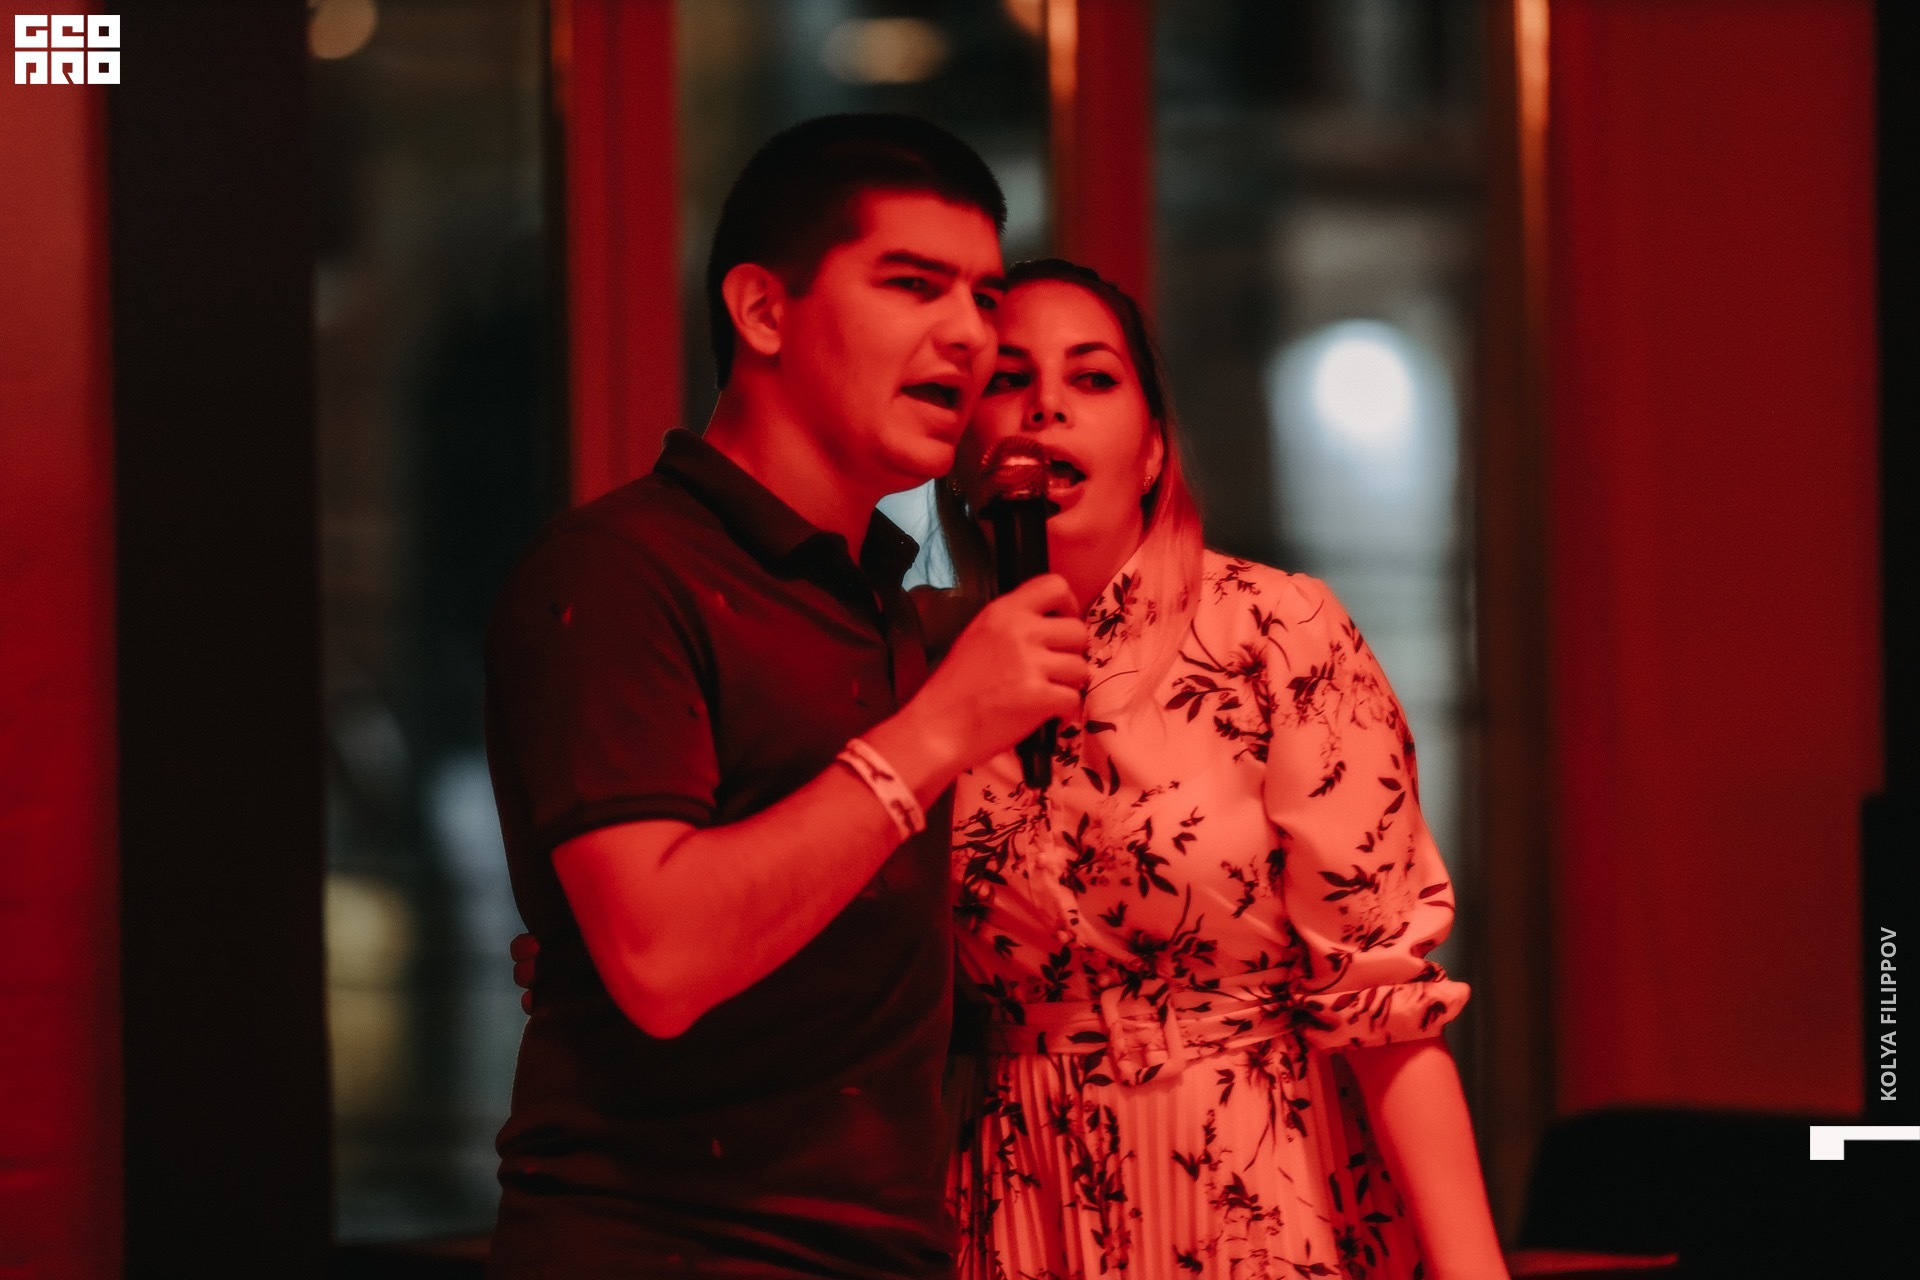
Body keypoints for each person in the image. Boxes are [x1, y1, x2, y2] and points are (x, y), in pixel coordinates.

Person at [481, 116, 1088, 1278]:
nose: (971, 333)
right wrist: (937, 731)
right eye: (914, 284)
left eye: (984, 297)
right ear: (762, 309)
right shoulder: (617, 571)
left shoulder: (884, 598)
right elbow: (661, 960)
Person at [930, 259, 1509, 1280]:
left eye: (1092, 377)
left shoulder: (1274, 631)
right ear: (964, 448)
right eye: (1008, 379)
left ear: (1153, 448)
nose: (1047, 405)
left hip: (1254, 1190)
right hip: (1014, 1202)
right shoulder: (919, 665)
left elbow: (1381, 1001)